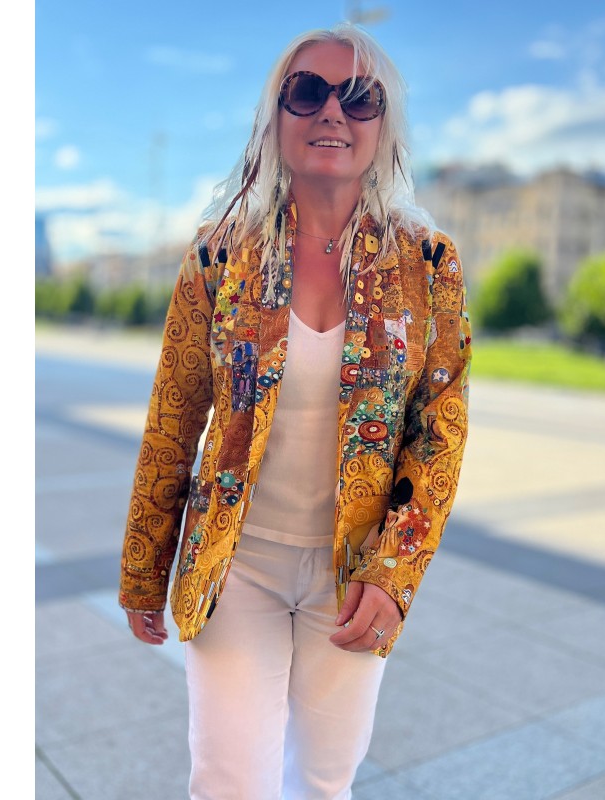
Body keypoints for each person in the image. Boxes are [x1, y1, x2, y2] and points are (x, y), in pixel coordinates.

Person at [119, 22, 472, 800]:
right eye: (307, 92)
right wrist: (145, 566)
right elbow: (174, 418)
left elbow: (439, 431)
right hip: (234, 562)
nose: (332, 112)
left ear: (384, 124)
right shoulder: (218, 256)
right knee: (228, 782)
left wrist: (396, 572)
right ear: (274, 117)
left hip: (353, 574)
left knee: (323, 781)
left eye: (359, 97)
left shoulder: (428, 265)